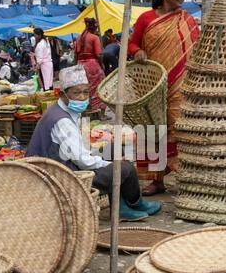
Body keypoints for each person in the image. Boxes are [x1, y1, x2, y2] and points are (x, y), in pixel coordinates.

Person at [26, 65, 161, 221]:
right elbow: (83, 161)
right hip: (64, 178)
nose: (83, 97)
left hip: (61, 167)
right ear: (63, 94)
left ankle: (124, 205)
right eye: (76, 93)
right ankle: (133, 204)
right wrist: (109, 164)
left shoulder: (59, 110)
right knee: (126, 168)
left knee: (112, 150)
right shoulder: (62, 120)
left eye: (85, 92)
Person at [128, 0, 200, 196]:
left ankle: (186, 176)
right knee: (152, 129)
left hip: (181, 84)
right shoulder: (146, 18)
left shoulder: (186, 18)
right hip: (152, 85)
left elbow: (196, 50)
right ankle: (156, 180)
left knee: (182, 127)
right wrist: (137, 51)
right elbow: (131, 43)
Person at [75, 18, 106, 118]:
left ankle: (86, 112)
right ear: (94, 27)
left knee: (84, 89)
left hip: (80, 65)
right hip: (92, 65)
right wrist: (101, 65)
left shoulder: (79, 37)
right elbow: (99, 54)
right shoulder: (94, 38)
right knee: (99, 88)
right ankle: (101, 114)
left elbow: (76, 55)